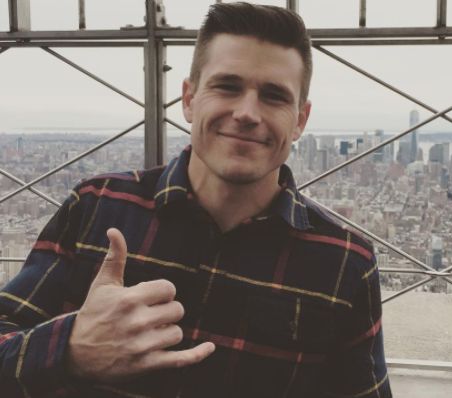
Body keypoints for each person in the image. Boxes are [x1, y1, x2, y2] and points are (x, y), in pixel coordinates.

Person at [0, 3, 392, 397]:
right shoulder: (97, 207)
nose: (246, 113)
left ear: (300, 121)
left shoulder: (344, 262)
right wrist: (71, 349)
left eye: (274, 96)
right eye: (228, 86)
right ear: (189, 99)